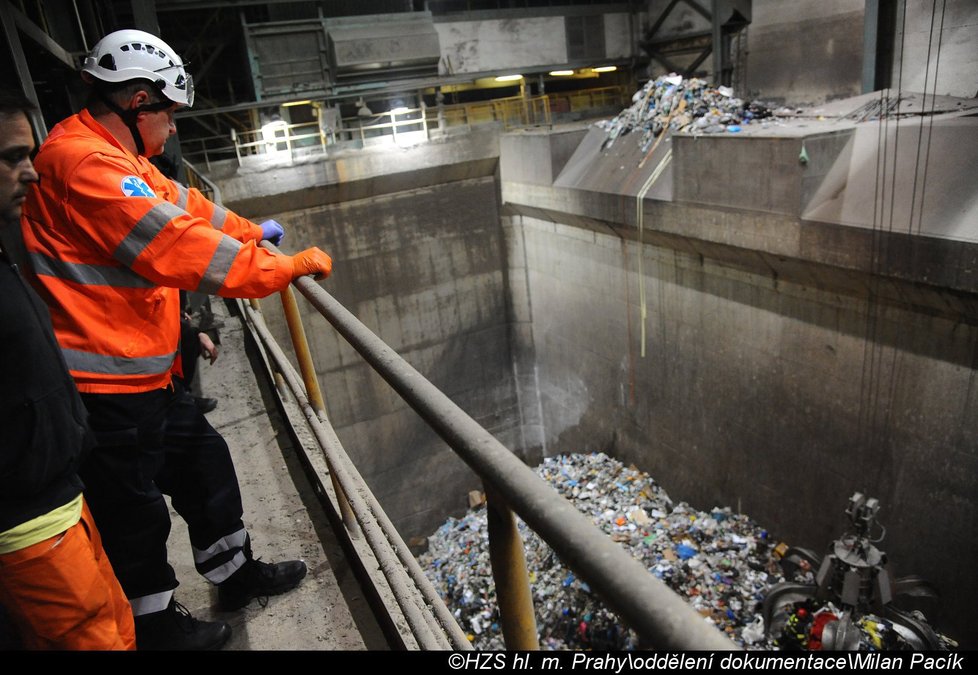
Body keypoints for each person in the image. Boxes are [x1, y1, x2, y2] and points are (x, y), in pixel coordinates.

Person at [20, 29, 333, 650]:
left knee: (204, 464)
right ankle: (155, 624)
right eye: (168, 111)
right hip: (105, 382)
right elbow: (176, 244)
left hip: (142, 371)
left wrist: (253, 234)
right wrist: (279, 268)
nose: (172, 126)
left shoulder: (119, 158)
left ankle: (234, 574)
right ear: (138, 102)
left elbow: (189, 209)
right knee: (134, 510)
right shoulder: (85, 163)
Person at [0, 89, 135, 650]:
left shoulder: (4, 253)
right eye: (10, 158)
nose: (29, 173)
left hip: (62, 496)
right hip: (27, 523)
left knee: (116, 627)